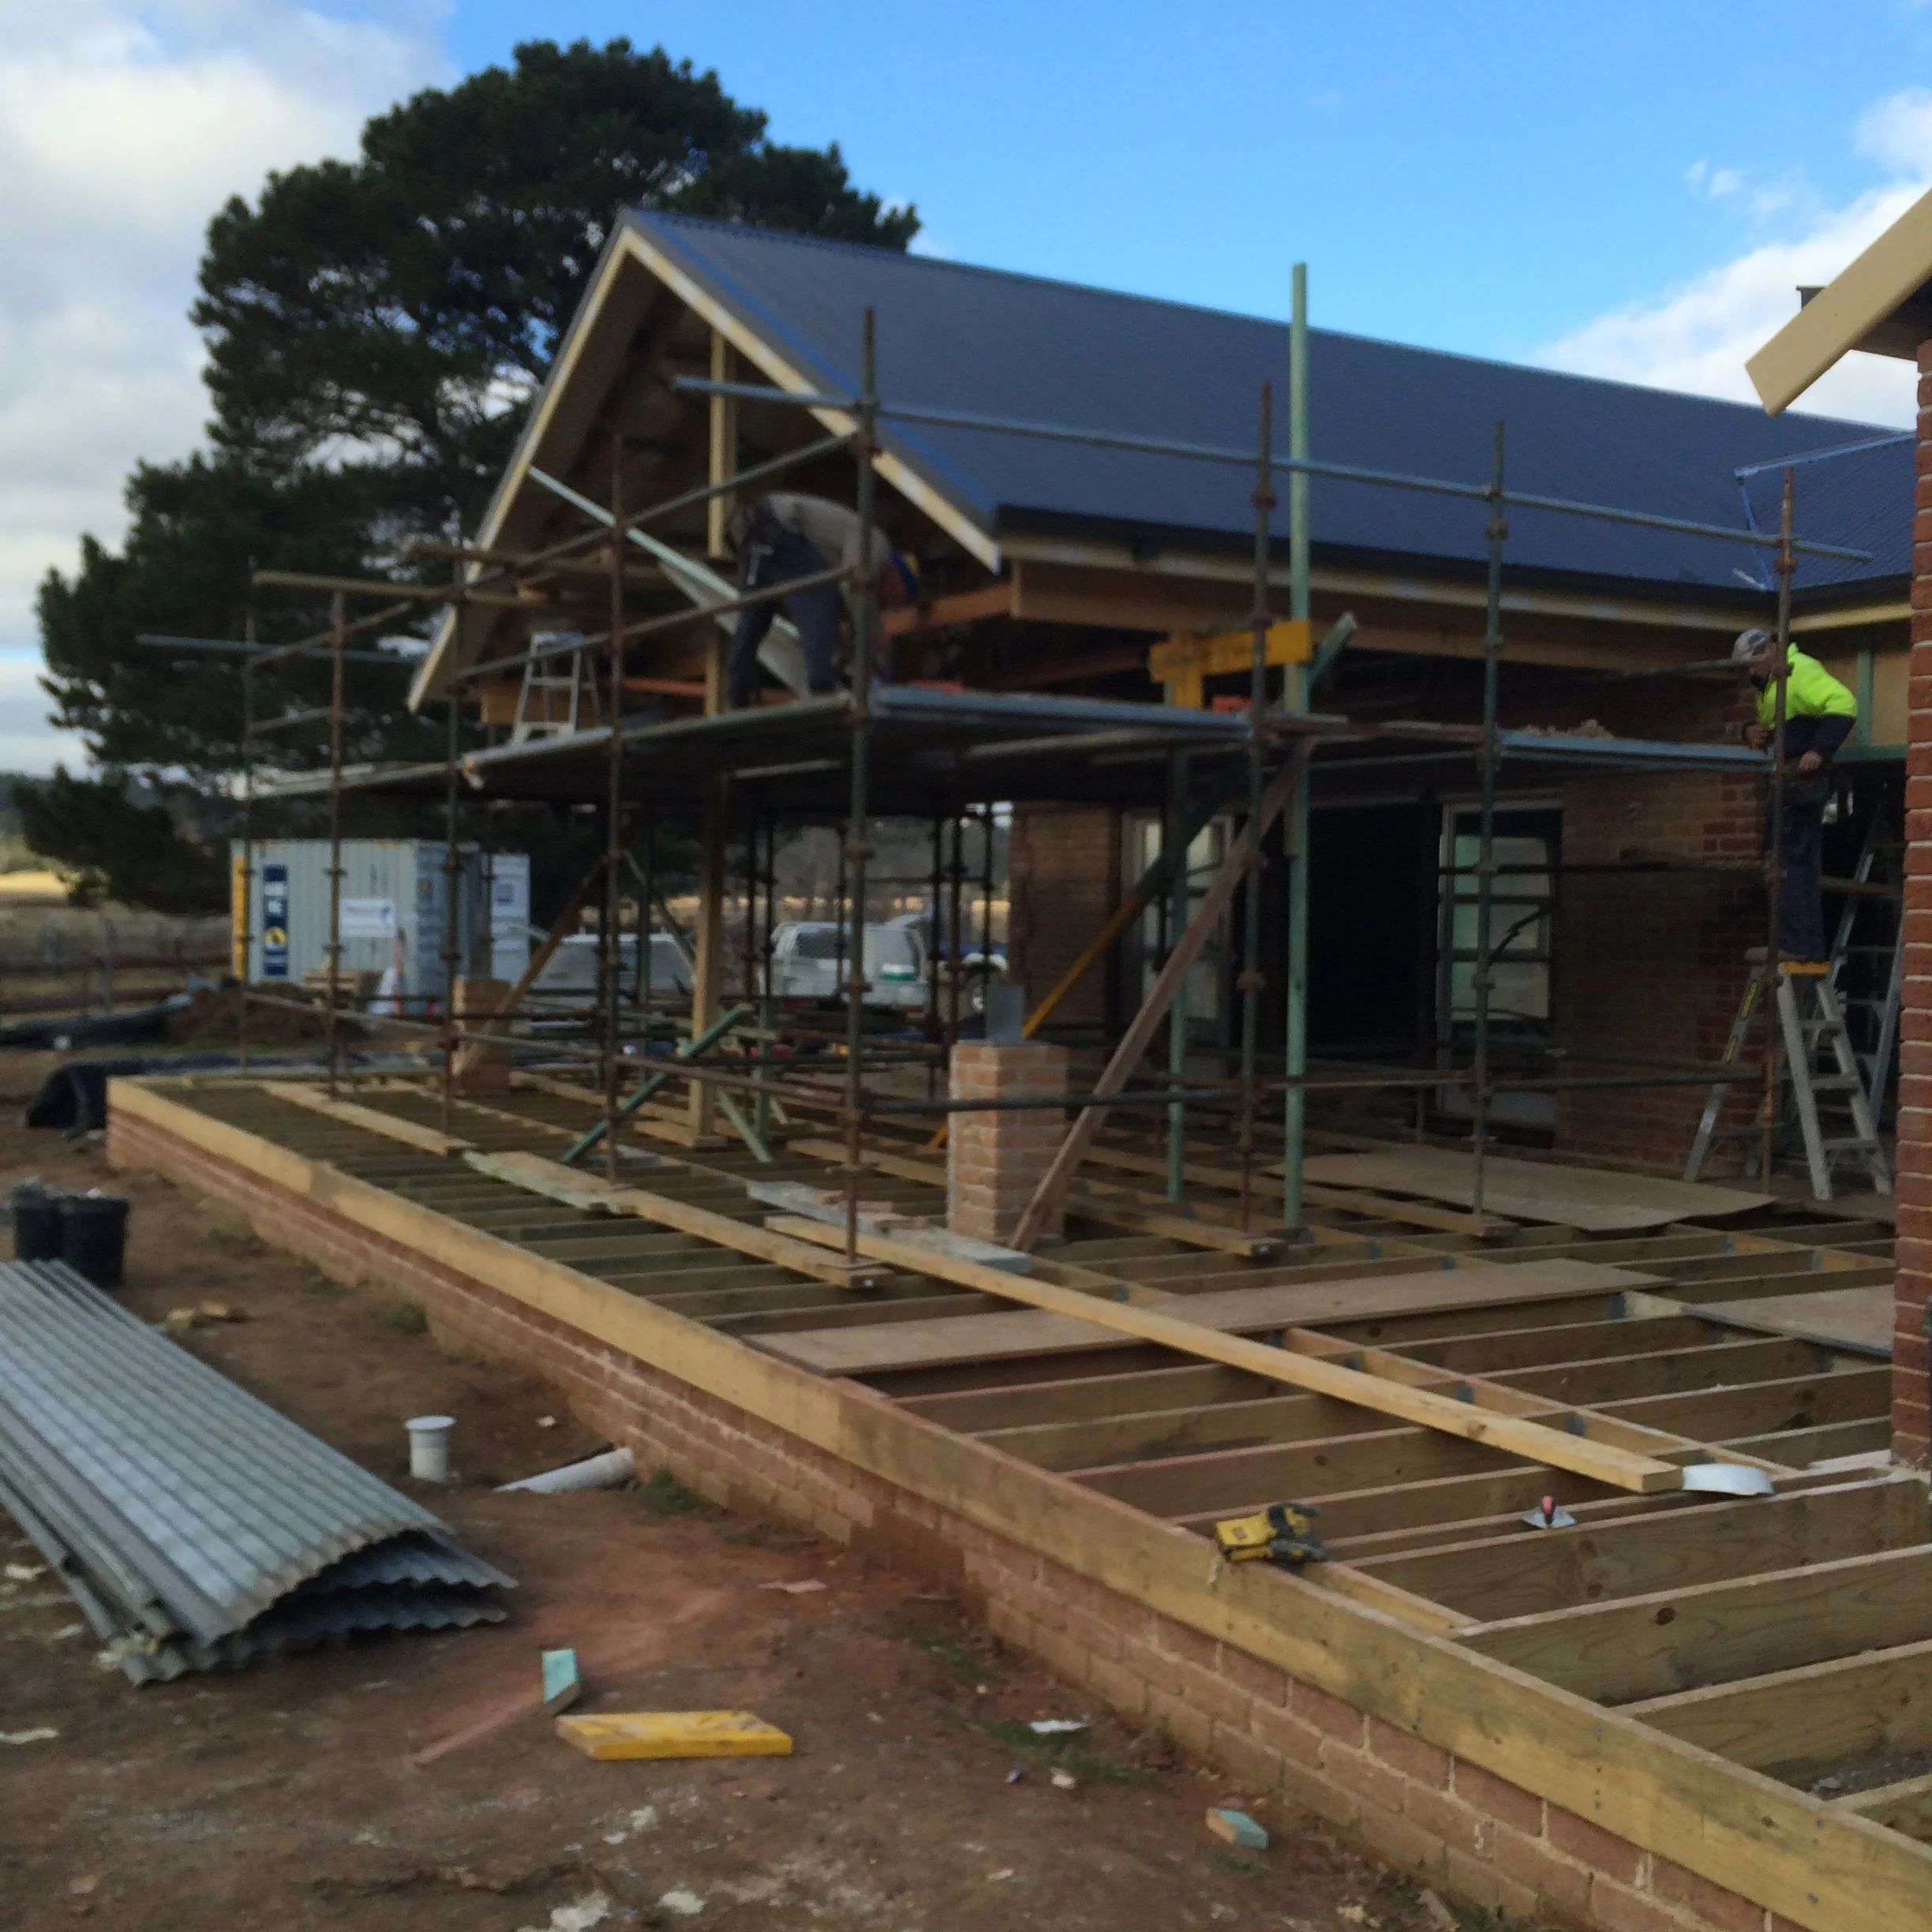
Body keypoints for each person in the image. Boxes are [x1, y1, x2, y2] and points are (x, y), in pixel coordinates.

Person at [724, 492, 917, 710]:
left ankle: (737, 692)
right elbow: (851, 586)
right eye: (898, 597)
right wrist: (877, 639)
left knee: (753, 618)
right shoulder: (878, 544)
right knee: (817, 589)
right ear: (899, 577)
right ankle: (821, 686)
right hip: (778, 524)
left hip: (751, 529)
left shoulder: (847, 553)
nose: (889, 602)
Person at [1734, 625, 1858, 964]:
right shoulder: (1773, 684)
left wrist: (1819, 749)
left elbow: (1844, 704)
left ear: (1770, 650)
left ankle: (1797, 943)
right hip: (1787, 782)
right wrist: (1749, 731)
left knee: (1790, 862)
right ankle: (1801, 942)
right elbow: (1777, 729)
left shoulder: (1799, 670)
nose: (1751, 672)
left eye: (1753, 663)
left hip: (1800, 784)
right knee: (1789, 860)